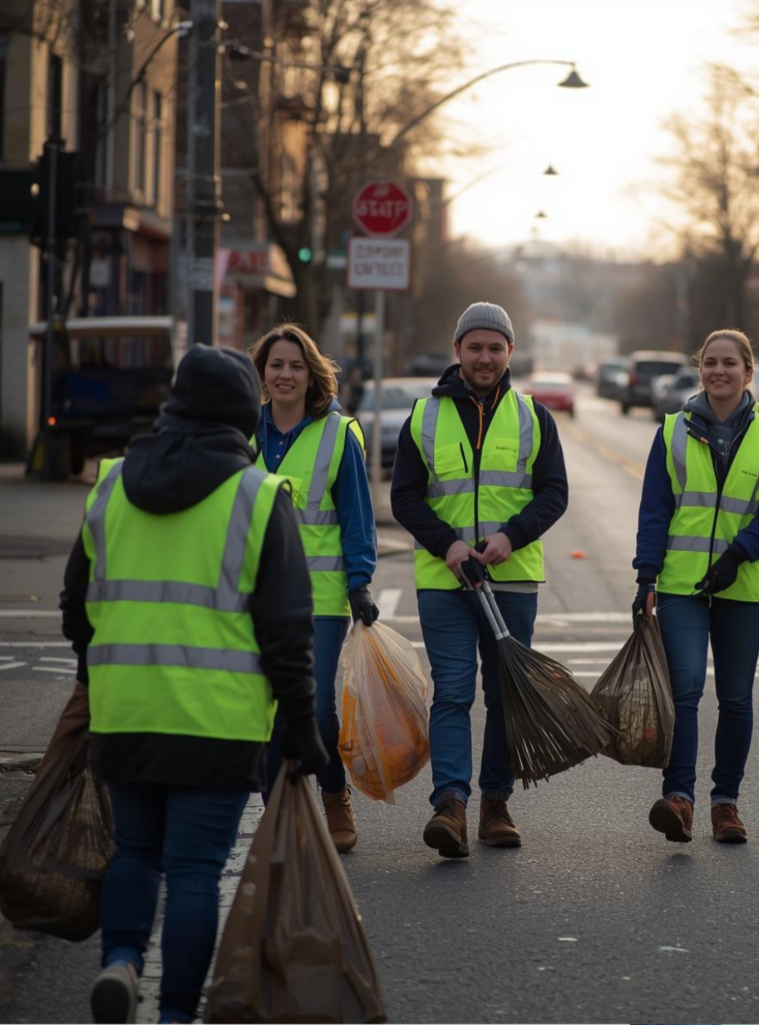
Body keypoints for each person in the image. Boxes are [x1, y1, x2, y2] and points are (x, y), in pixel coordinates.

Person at [60, 345, 329, 1025]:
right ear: (244, 416)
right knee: (192, 871)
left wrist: (103, 675)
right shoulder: (259, 497)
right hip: (217, 721)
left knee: (135, 851)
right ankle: (176, 1012)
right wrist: (301, 725)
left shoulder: (112, 484)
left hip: (124, 714)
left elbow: (74, 604)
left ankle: (120, 961)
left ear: (173, 405)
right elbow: (287, 630)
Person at [391, 302, 568, 858]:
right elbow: (403, 497)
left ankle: (496, 803)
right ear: (458, 351)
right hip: (445, 581)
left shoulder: (534, 418)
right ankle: (451, 804)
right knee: (452, 692)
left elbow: (554, 493)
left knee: (504, 695)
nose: (485, 357)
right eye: (475, 347)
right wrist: (448, 545)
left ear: (510, 352)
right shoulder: (422, 416)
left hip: (510, 579)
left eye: (495, 347)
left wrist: (510, 537)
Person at [632, 329, 759, 845]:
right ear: (700, 369)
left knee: (737, 698)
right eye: (710, 363)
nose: (718, 371)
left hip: (743, 586)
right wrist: (646, 575)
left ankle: (726, 804)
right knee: (685, 690)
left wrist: (738, 555)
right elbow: (655, 510)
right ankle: (678, 798)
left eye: (730, 363)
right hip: (682, 586)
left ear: (749, 373)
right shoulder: (672, 432)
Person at [248, 324, 379, 853]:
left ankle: (332, 793)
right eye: (276, 365)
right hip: (254, 599)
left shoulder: (337, 433)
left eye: (296, 366)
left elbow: (356, 514)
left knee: (318, 711)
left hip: (321, 598)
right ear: (262, 373)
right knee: (260, 710)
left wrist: (360, 582)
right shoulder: (242, 433)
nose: (285, 374)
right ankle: (277, 807)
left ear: (311, 375)